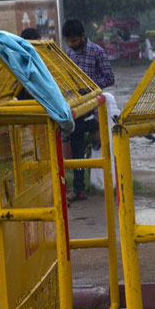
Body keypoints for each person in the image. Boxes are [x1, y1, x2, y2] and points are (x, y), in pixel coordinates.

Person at [61, 18, 114, 202]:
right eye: (68, 41)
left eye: (74, 41)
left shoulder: (97, 52)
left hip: (93, 103)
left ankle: (94, 127)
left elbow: (109, 78)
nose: (71, 44)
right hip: (76, 104)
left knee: (77, 132)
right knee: (76, 150)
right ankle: (79, 189)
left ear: (83, 37)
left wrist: (90, 87)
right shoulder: (69, 54)